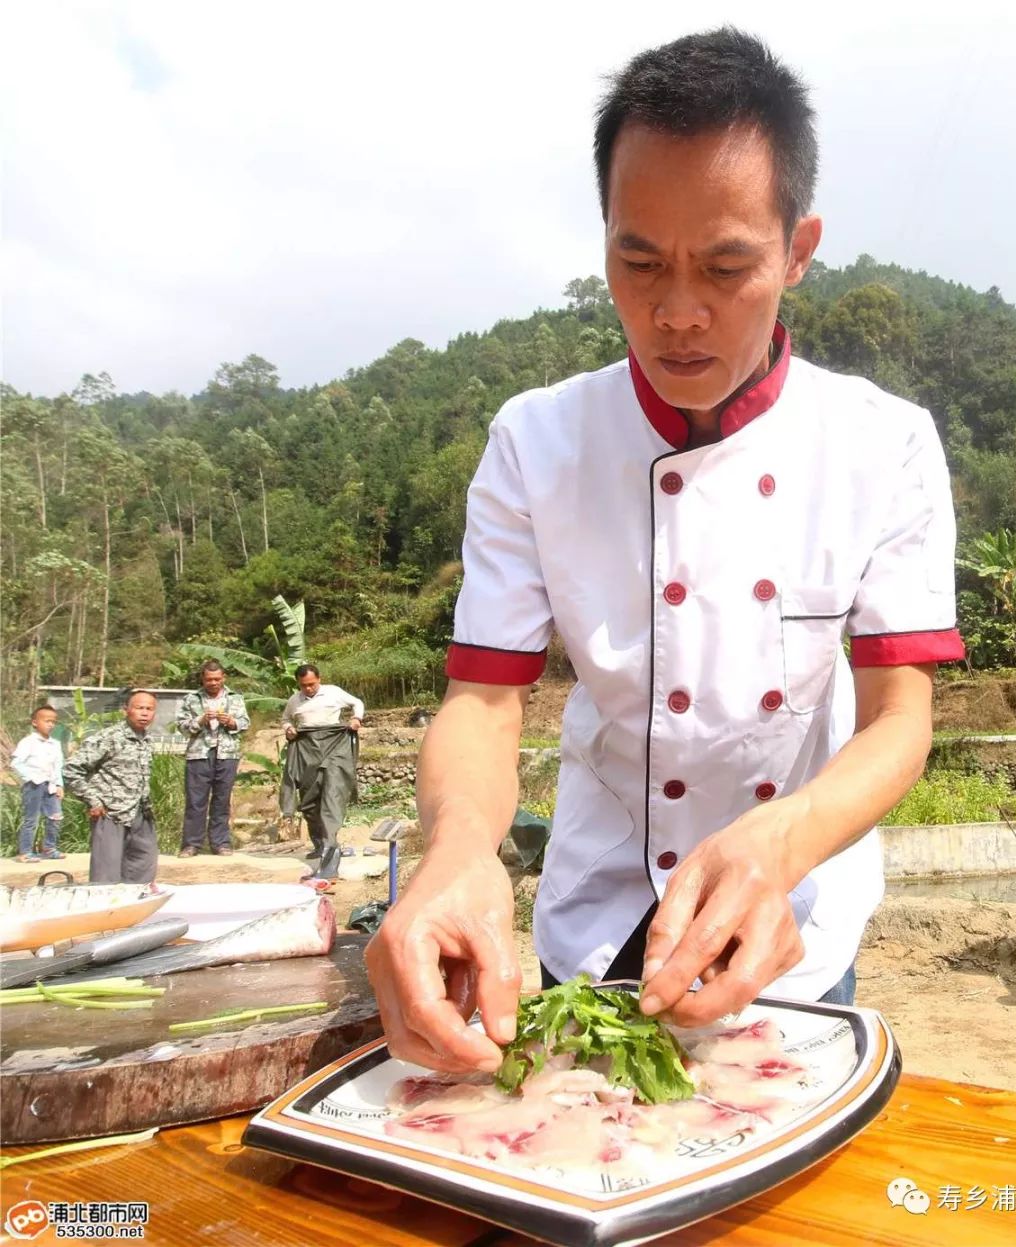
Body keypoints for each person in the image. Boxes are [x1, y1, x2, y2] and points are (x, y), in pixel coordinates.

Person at [365, 27, 965, 1074]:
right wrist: (459, 850)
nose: (676, 313)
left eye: (727, 265)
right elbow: (485, 699)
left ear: (798, 249)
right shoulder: (536, 440)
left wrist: (780, 840)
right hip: (593, 917)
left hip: (790, 924)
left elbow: (898, 720)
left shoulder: (883, 443)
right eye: (637, 261)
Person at [66, 690, 159, 883]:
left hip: (140, 813)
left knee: (143, 865)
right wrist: (93, 800)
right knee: (106, 874)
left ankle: (134, 907)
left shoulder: (147, 739)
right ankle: (106, 910)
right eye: (139, 708)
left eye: (149, 709)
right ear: (126, 710)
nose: (144, 713)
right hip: (111, 813)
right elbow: (71, 769)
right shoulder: (109, 737)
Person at [280, 664, 364, 870]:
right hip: (307, 750)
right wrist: (289, 728)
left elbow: (357, 703)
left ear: (319, 679)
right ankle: (319, 844)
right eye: (304, 686)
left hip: (335, 746)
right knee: (309, 800)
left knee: (332, 795)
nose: (308, 689)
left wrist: (356, 718)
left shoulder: (333, 692)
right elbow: (285, 719)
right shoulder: (294, 700)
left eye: (312, 684)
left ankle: (330, 845)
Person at [175, 660, 250, 857]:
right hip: (198, 754)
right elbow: (181, 726)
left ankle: (221, 843)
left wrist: (232, 722)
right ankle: (191, 845)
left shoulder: (235, 698)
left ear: (223, 678)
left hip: (227, 754)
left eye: (217, 679)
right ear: (203, 679)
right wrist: (200, 720)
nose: (213, 683)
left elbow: (245, 723)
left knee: (222, 800)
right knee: (195, 801)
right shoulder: (191, 699)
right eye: (209, 679)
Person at [11, 705, 66, 863]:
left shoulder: (55, 744)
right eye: (47, 721)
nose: (50, 724)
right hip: (34, 786)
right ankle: (26, 852)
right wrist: (31, 777)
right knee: (31, 819)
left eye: (53, 721)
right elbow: (16, 763)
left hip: (51, 785)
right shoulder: (28, 742)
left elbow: (58, 766)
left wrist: (59, 785)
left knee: (55, 817)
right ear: (35, 722)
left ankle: (49, 848)